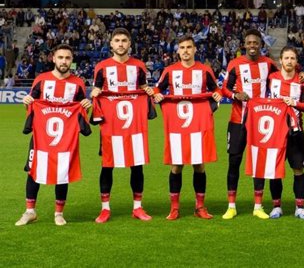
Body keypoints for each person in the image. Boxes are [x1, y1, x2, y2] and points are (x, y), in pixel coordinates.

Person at [15, 44, 92, 226]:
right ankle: (30, 211)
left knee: (62, 172)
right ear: (53, 59)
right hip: (41, 137)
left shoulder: (78, 83)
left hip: (65, 139)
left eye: (67, 58)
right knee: (34, 171)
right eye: (60, 57)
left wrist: (86, 107)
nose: (64, 61)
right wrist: (27, 102)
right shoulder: (41, 80)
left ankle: (59, 213)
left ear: (71, 61)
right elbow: (32, 104)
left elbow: (80, 113)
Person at [153, 36, 223, 220]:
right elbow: (157, 90)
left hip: (198, 125)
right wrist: (158, 97)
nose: (185, 50)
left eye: (189, 47)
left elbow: (217, 89)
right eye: (182, 47)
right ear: (177, 51)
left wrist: (215, 99)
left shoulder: (205, 70)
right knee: (176, 166)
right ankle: (174, 208)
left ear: (195, 50)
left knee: (199, 165)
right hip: (177, 126)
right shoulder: (169, 71)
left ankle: (200, 206)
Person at [91, 28, 155, 223]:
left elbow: (144, 88)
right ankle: (105, 209)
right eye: (117, 40)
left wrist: (150, 92)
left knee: (137, 165)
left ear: (130, 44)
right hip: (110, 126)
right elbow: (97, 89)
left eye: (124, 40)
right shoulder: (102, 67)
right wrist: (94, 93)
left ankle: (137, 207)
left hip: (134, 126)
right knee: (107, 165)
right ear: (111, 44)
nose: (120, 44)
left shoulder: (139, 67)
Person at [221, 29, 278, 219]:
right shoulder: (235, 64)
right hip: (238, 120)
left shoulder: (268, 64)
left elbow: (281, 80)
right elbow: (225, 89)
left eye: (256, 43)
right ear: (244, 45)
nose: (252, 46)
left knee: (259, 163)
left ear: (261, 44)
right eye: (249, 43)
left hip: (260, 123)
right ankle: (231, 206)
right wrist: (235, 95)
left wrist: (300, 76)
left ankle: (258, 206)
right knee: (234, 162)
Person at [261, 46, 304, 220]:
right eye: (286, 58)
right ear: (280, 60)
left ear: (297, 62)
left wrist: (294, 103)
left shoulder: (303, 81)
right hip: (274, 133)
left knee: (298, 170)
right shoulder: (271, 78)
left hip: (295, 132)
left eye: (293, 58)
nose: (289, 61)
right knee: (275, 171)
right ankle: (276, 206)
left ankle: (300, 207)